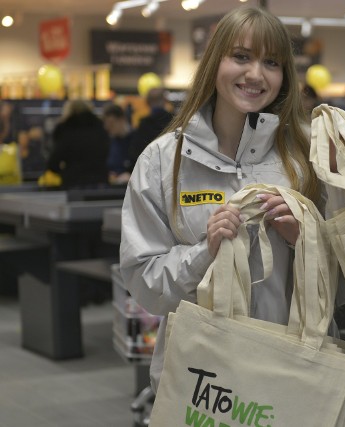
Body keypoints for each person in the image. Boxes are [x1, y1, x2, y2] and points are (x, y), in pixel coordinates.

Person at [119, 6, 322, 393]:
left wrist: (305, 239)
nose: (255, 74)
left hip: (287, 370)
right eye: (241, 57)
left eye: (271, 62)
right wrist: (204, 251)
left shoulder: (306, 159)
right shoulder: (163, 161)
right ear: (215, 62)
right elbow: (143, 281)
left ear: (285, 76)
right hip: (201, 375)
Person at [46, 99, 109, 189]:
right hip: (99, 182)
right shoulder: (100, 129)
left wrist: (66, 172)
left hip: (73, 183)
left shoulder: (65, 131)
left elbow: (53, 163)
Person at [130, 86, 174, 165]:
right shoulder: (173, 121)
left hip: (149, 168)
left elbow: (136, 153)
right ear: (164, 101)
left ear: (148, 103)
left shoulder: (143, 124)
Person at [103, 103, 134, 184]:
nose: (108, 127)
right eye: (106, 124)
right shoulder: (110, 141)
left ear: (122, 120)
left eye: (111, 123)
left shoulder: (137, 140)